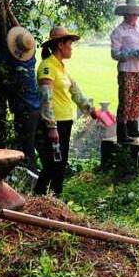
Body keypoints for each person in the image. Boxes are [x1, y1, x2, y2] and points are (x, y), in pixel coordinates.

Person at [34, 26, 96, 196]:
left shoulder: (62, 68)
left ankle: (55, 199)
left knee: (59, 164)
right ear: (60, 44)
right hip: (53, 124)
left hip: (65, 122)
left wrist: (91, 110)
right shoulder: (47, 67)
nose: (71, 47)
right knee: (51, 165)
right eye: (70, 43)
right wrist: (51, 126)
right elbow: (46, 99)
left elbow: (75, 92)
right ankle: (40, 199)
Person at [0, 2, 40, 172]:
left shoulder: (7, 63)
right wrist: (10, 12)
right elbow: (23, 34)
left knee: (26, 149)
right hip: (36, 109)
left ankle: (34, 182)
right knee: (32, 146)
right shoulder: (31, 59)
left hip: (23, 111)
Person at [110, 0, 139, 143]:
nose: (134, 16)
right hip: (126, 69)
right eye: (132, 14)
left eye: (136, 14)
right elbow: (115, 54)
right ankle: (122, 133)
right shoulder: (119, 31)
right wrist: (131, 53)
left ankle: (133, 128)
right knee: (126, 100)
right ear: (126, 14)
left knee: (137, 99)